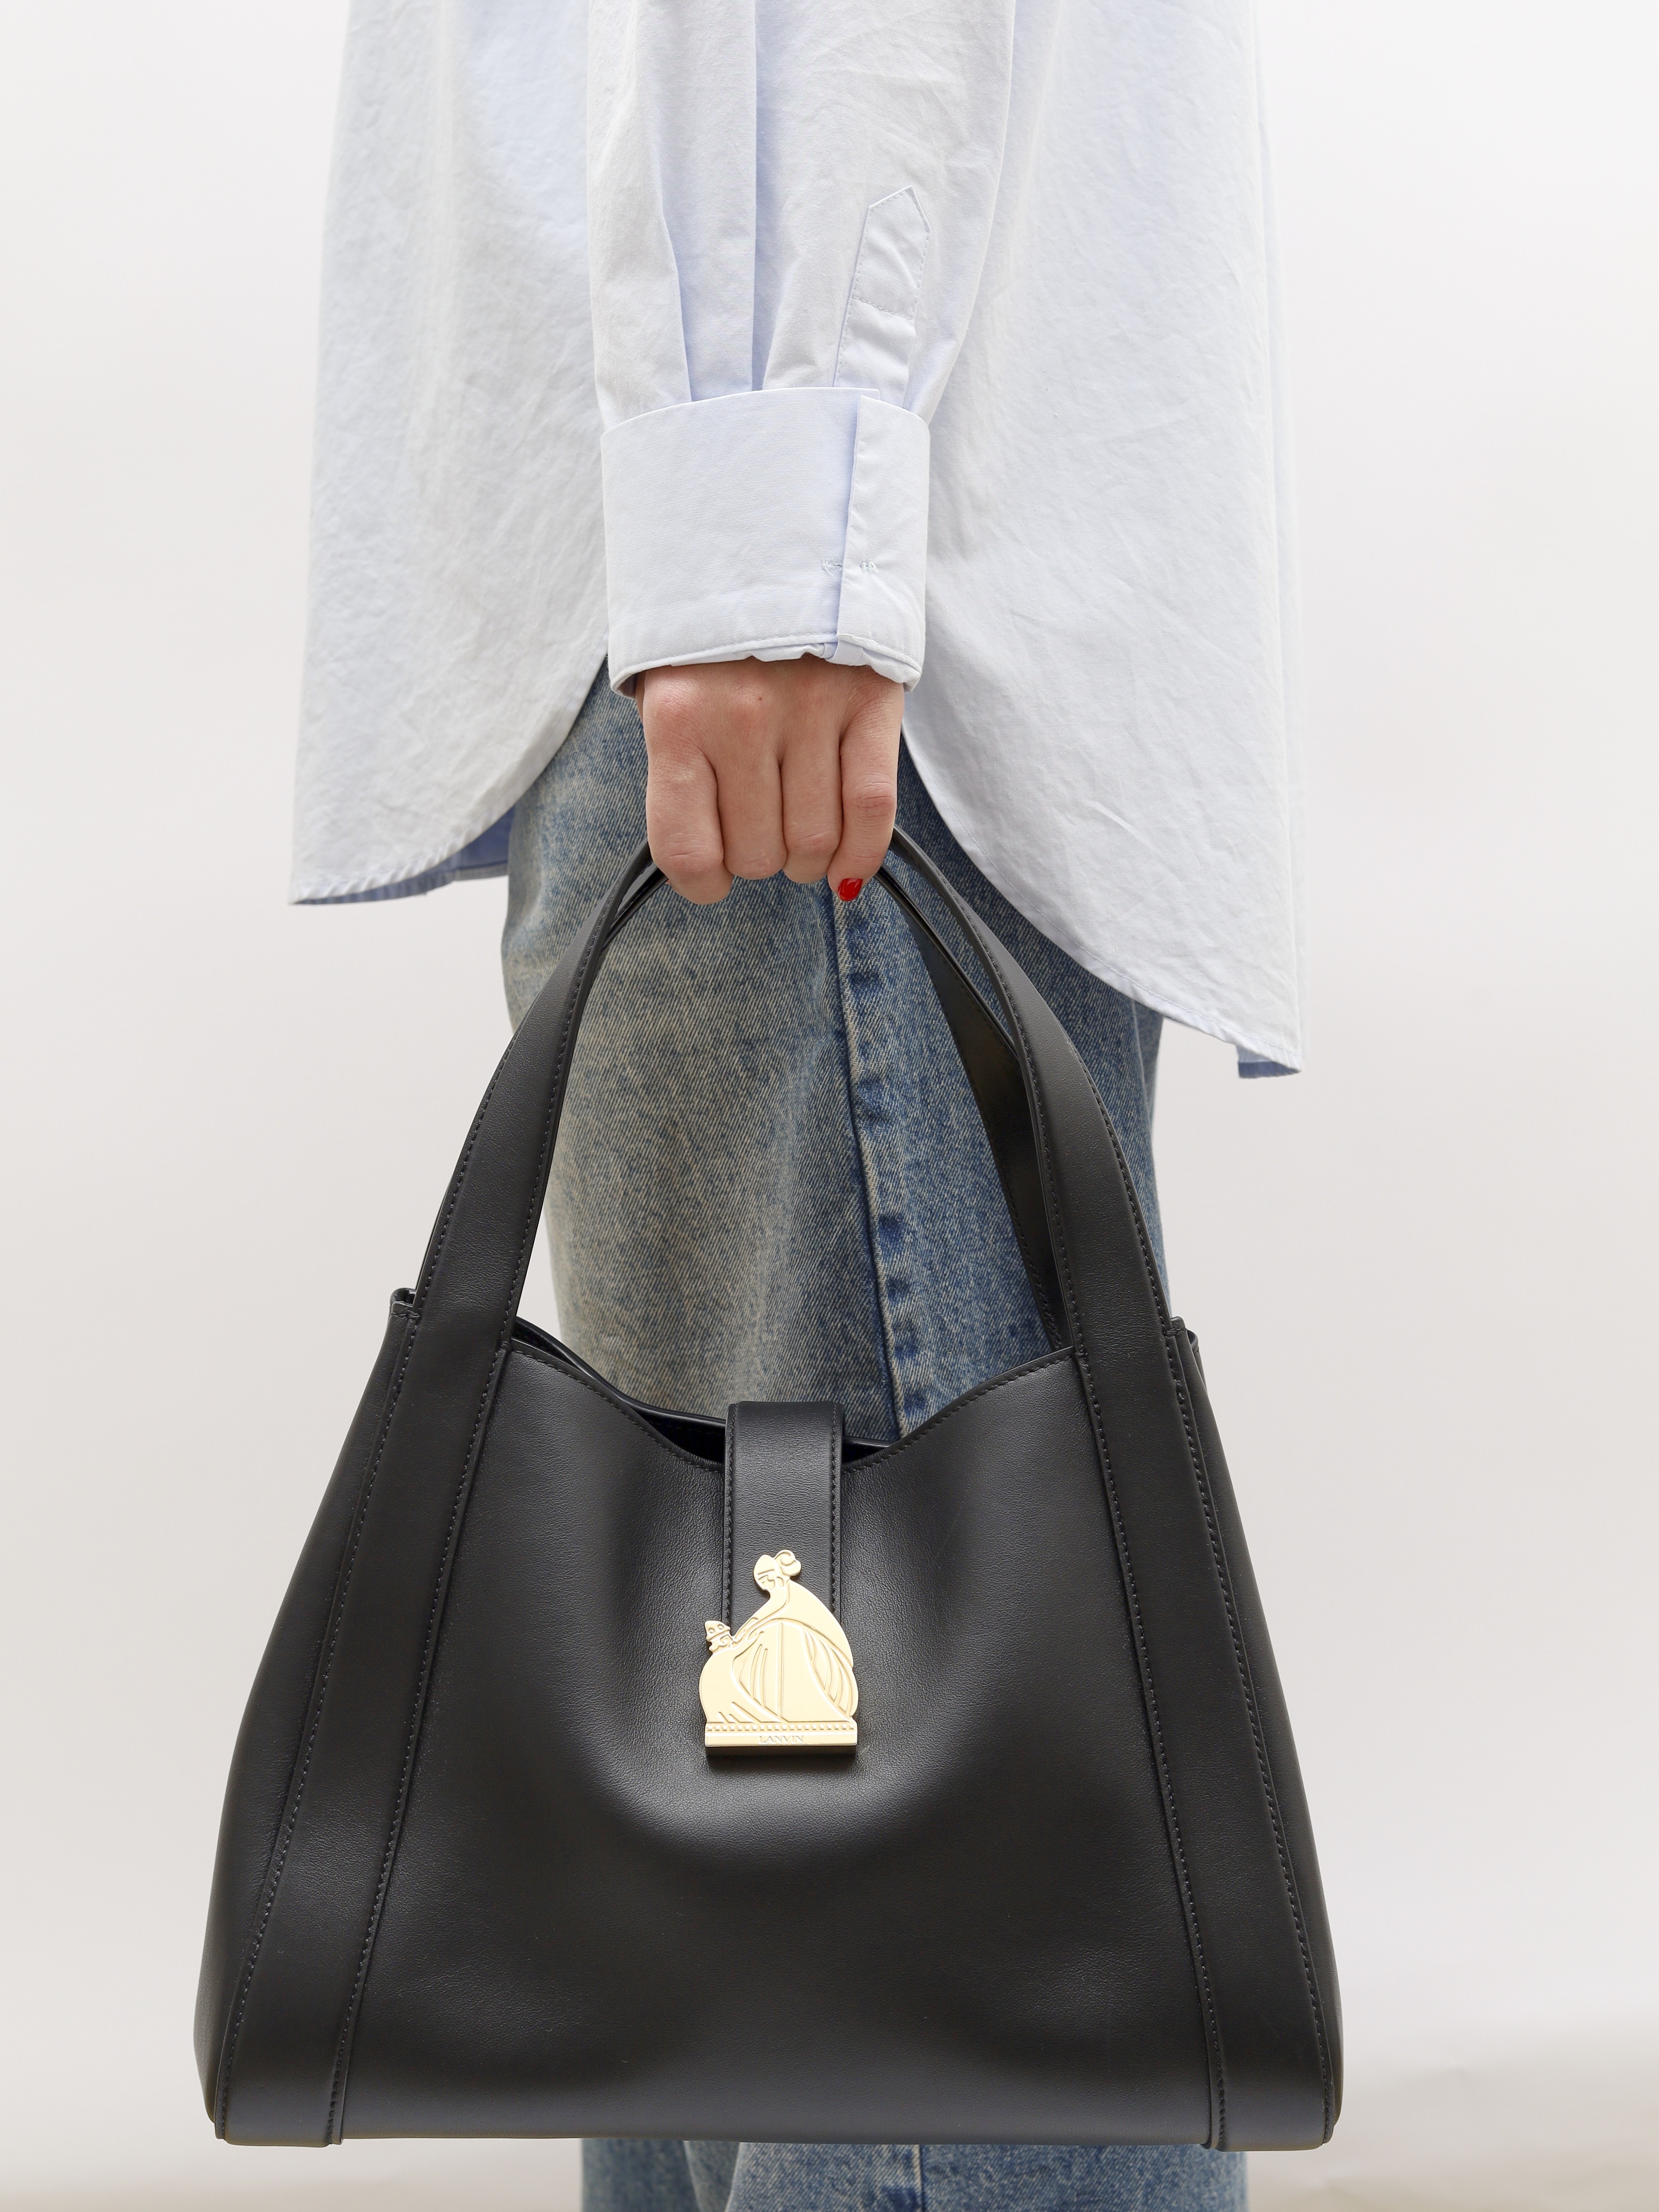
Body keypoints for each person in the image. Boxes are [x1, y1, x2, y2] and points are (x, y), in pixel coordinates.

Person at [290, 4, 1304, 2205]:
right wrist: (768, 492)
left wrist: (776, 483)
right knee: (821, 1946)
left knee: (822, 1944)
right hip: (782, 575)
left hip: (798, 587)